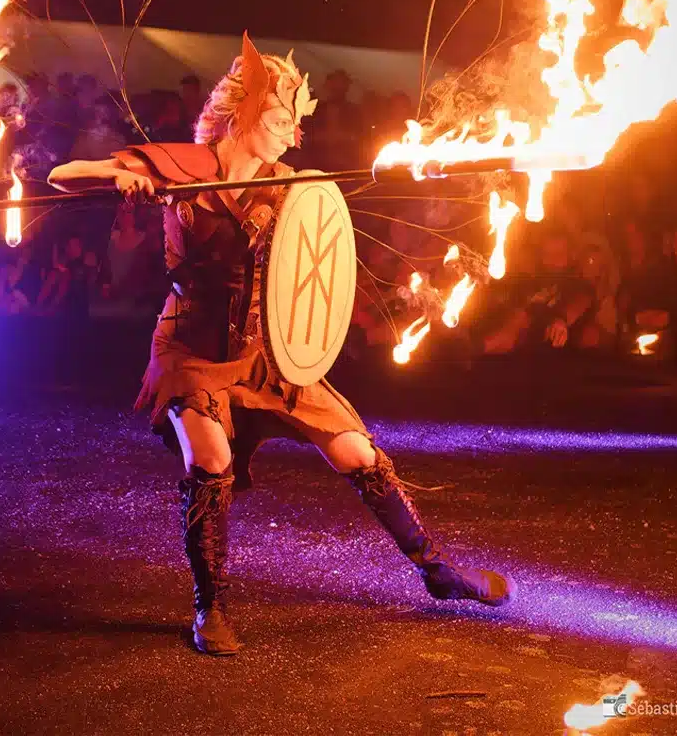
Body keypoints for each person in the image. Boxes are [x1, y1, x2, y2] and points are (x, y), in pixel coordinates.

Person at [49, 34, 513, 656]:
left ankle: (436, 570)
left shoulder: (292, 186)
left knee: (356, 452)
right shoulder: (182, 164)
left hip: (267, 352)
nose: (291, 132)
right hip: (191, 350)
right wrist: (122, 180)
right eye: (278, 117)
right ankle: (209, 607)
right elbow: (62, 176)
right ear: (241, 113)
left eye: (295, 121)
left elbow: (316, 251)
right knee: (208, 459)